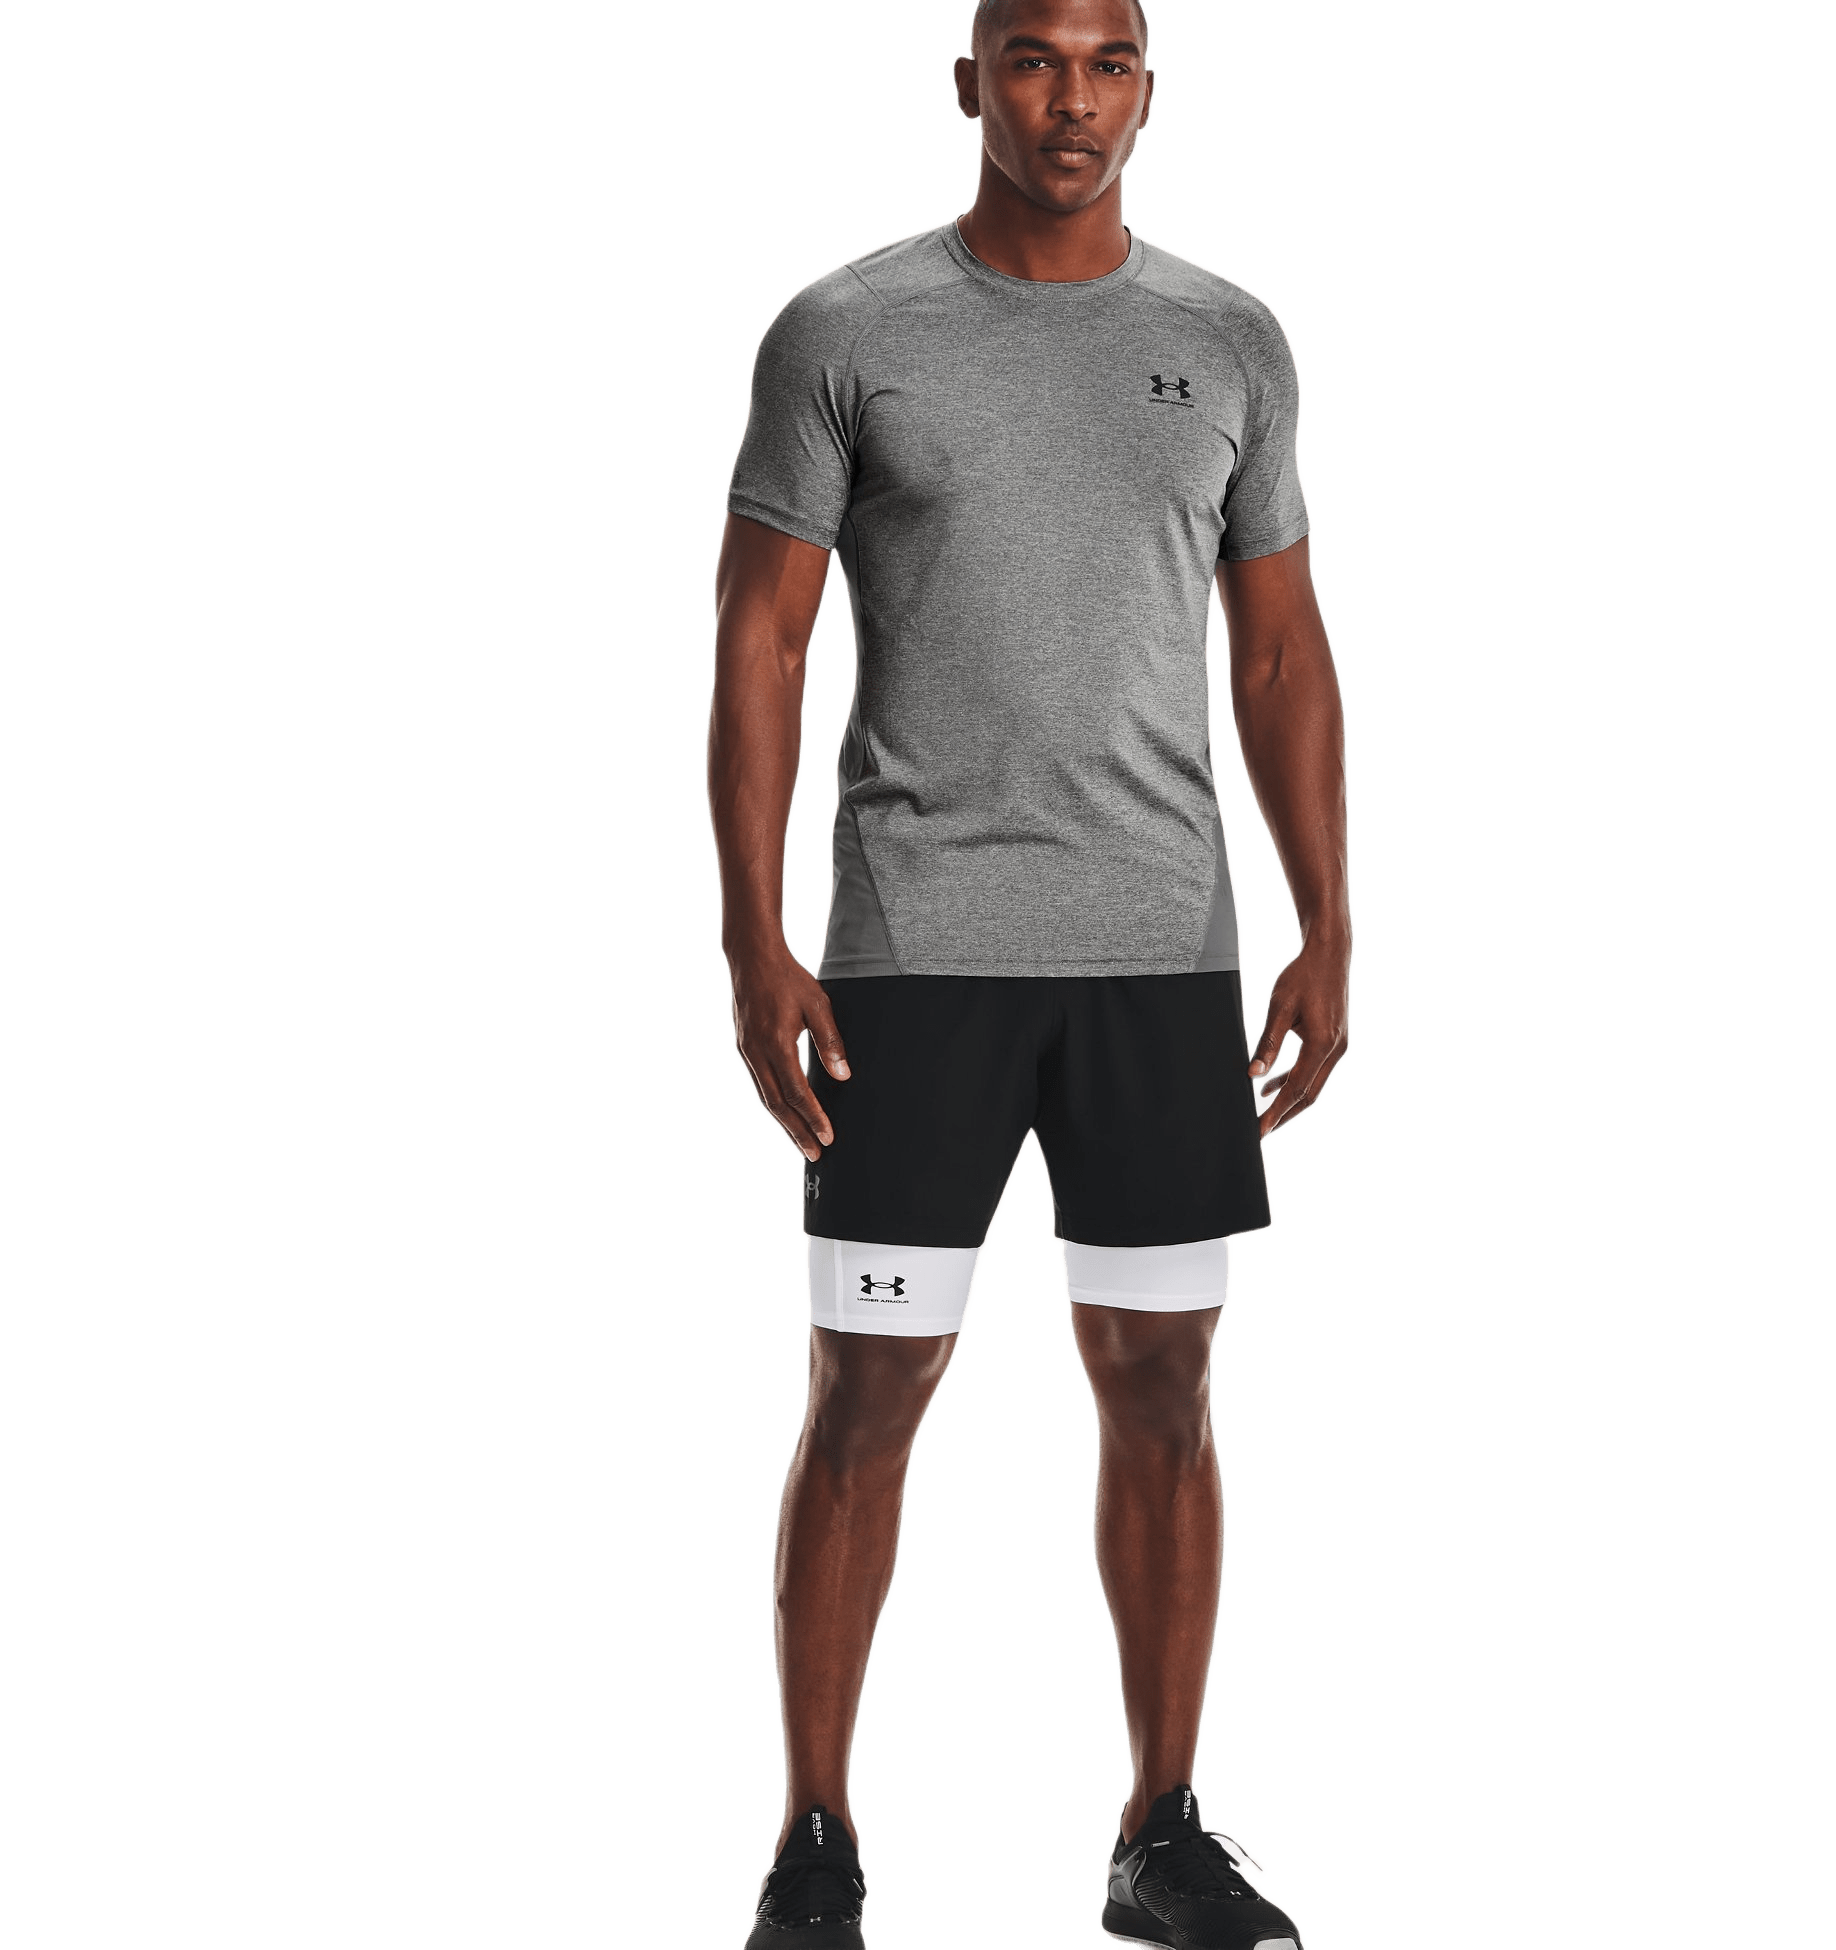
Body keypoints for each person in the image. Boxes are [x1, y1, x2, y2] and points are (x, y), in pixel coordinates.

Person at [705, 1, 1351, 1944]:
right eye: (1034, 57)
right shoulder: (843, 329)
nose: (1073, 97)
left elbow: (1280, 648)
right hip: (916, 958)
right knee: (867, 1389)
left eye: (1110, 58)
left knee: (1166, 1379)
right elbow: (760, 639)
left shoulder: (1232, 338)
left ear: (1150, 86)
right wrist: (752, 935)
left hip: (1161, 955)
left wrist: (1329, 916)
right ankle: (815, 1843)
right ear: (969, 80)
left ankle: (1162, 1832)